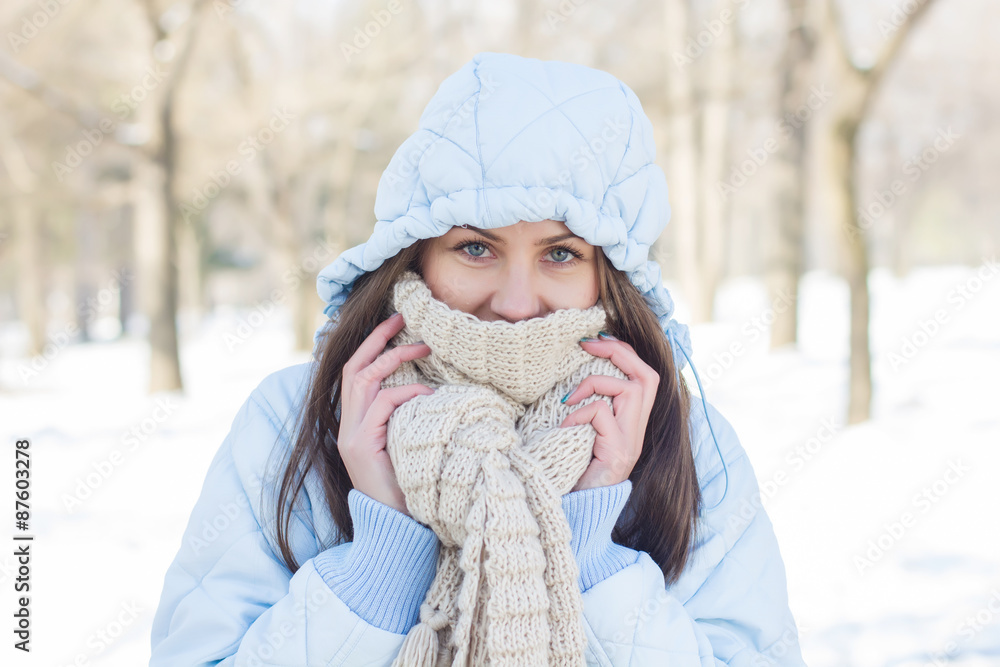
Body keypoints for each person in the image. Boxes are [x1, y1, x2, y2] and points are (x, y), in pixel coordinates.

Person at [150, 52, 807, 666]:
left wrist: (587, 549)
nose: (517, 302)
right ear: (416, 255)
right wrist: (381, 557)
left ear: (608, 275)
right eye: (474, 248)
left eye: (560, 254)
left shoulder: (681, 437)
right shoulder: (297, 419)